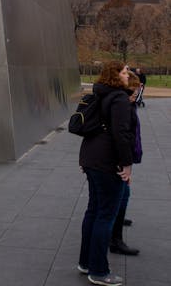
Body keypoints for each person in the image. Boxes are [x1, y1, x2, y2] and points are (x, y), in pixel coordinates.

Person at [78, 61, 134, 286]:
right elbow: (122, 134)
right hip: (107, 162)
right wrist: (127, 164)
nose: (127, 75)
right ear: (114, 75)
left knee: (93, 211)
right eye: (123, 72)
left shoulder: (100, 94)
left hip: (91, 158)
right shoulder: (119, 98)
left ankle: (86, 262)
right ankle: (99, 270)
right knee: (105, 215)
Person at [109, 71, 142, 256]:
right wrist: (126, 164)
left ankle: (116, 226)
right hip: (118, 161)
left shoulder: (127, 105)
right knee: (120, 196)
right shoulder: (122, 106)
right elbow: (122, 137)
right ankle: (115, 240)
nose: (135, 96)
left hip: (122, 159)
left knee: (123, 195)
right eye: (134, 93)